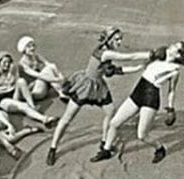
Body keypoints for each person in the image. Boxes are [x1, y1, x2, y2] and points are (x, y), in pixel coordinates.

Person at [46, 27, 151, 166]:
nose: (119, 42)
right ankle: (53, 148)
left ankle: (104, 142)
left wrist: (139, 68)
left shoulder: (107, 52)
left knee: (110, 111)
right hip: (85, 86)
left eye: (120, 39)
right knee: (67, 118)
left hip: (98, 86)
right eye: (117, 39)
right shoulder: (105, 53)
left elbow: (118, 70)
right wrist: (150, 54)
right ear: (109, 39)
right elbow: (128, 57)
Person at [90, 40, 184, 164]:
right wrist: (118, 70)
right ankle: (106, 150)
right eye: (173, 45)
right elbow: (140, 63)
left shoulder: (175, 70)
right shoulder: (159, 56)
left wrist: (170, 108)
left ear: (178, 55)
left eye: (175, 47)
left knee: (142, 135)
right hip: (138, 92)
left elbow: (172, 90)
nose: (171, 46)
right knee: (114, 123)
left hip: (150, 97)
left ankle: (159, 148)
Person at [0, 52, 59, 128]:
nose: (7, 64)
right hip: (2, 99)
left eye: (8, 62)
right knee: (23, 106)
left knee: (21, 81)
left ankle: (32, 106)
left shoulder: (12, 69)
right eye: (4, 62)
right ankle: (45, 119)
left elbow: (20, 80)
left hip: (13, 93)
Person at [17, 35, 65, 101]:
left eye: (33, 45)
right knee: (47, 70)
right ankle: (61, 91)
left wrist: (60, 75)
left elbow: (50, 65)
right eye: (29, 46)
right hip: (34, 91)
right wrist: (57, 79)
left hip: (41, 85)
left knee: (51, 67)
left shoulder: (36, 56)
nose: (32, 48)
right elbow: (39, 75)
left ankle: (62, 88)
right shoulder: (22, 64)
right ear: (23, 49)